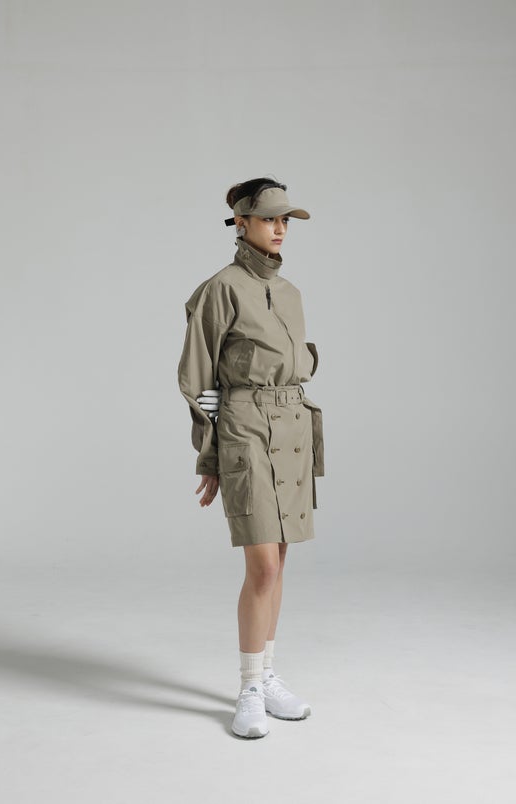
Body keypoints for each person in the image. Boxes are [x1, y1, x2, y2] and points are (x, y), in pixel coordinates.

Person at [177, 177, 324, 738]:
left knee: (279, 562)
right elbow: (197, 377)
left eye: (285, 219)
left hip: (292, 424)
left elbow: (295, 363)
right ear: (241, 223)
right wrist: (211, 454)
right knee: (261, 565)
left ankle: (267, 675)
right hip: (246, 427)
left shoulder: (290, 292)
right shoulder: (220, 289)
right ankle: (248, 688)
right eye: (269, 218)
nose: (280, 228)